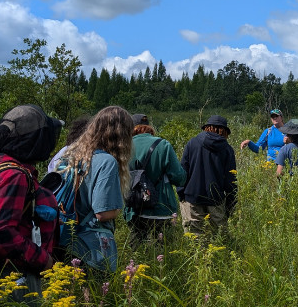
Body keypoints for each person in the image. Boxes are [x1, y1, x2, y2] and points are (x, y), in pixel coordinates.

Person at [0, 104, 64, 299]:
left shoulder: (4, 168)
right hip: (12, 277)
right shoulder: (14, 175)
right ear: (34, 141)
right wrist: (43, 259)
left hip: (8, 272)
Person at [58, 105, 133, 273]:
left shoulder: (69, 156)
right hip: (90, 247)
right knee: (95, 297)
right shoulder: (106, 161)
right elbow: (103, 213)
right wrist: (118, 208)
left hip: (62, 238)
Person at [124, 114, 187, 243]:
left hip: (134, 207)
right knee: (161, 252)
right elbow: (179, 178)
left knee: (136, 251)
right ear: (149, 128)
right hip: (161, 207)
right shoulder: (163, 145)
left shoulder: (124, 147)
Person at [178, 115, 237, 236]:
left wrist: (181, 193)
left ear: (207, 128)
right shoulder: (227, 149)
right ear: (224, 131)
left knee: (195, 237)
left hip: (192, 197)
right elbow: (231, 180)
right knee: (220, 237)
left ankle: (200, 255)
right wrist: (230, 205)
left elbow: (183, 171)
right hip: (216, 198)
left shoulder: (192, 143)